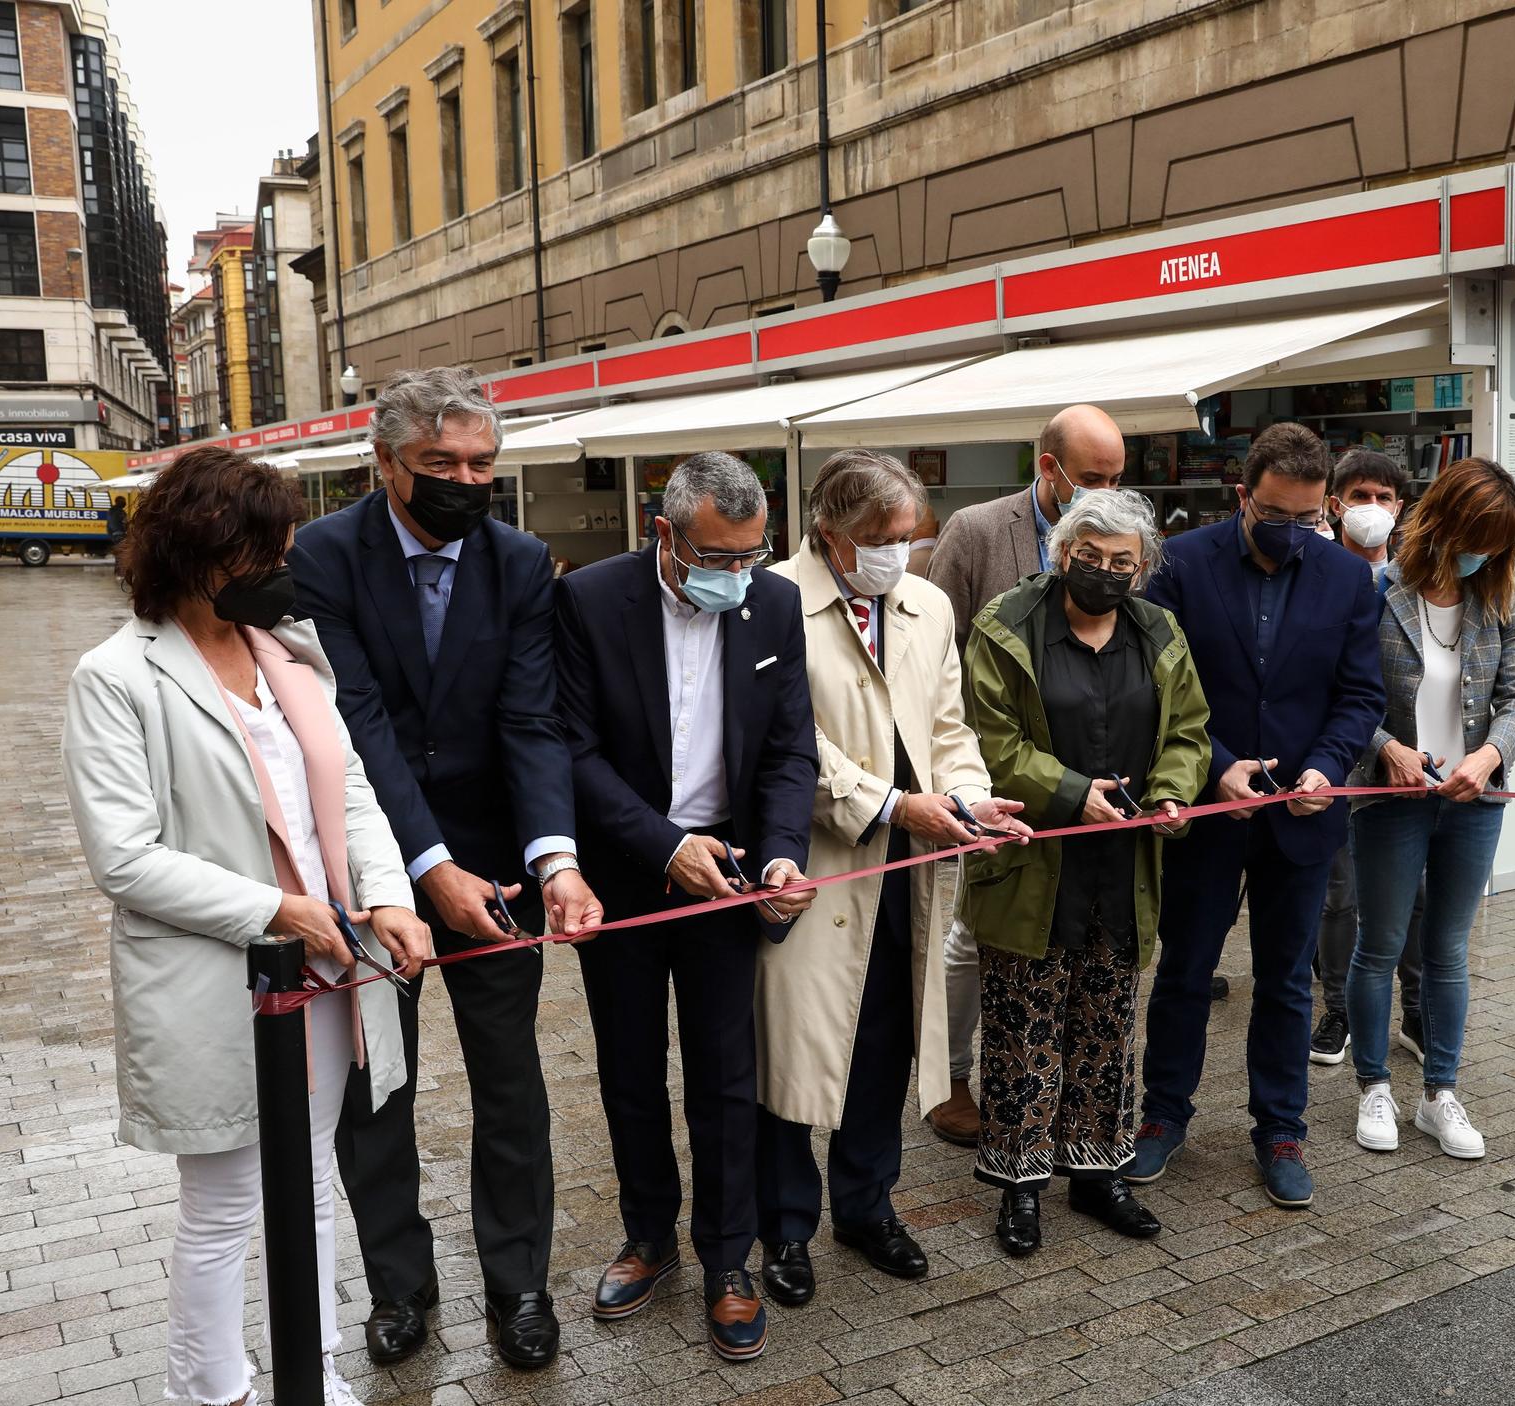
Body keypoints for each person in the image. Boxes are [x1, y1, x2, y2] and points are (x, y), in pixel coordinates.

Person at [62, 447, 432, 1406]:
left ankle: (312, 1373)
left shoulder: (287, 647)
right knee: (225, 1206)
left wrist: (387, 894)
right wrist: (281, 911)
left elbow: (348, 795)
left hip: (324, 968)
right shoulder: (117, 676)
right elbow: (126, 857)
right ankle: (213, 1391)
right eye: (265, 545)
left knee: (311, 1183)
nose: (286, 559)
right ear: (201, 553)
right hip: (222, 976)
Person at [288, 368, 600, 1370]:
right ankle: (399, 1289)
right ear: (383, 464)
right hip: (372, 869)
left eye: (480, 463)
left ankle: (519, 1284)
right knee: (376, 1088)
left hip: (498, 870)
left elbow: (530, 716)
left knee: (510, 1085)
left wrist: (553, 856)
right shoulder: (323, 555)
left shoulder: (515, 561)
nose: (465, 480)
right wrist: (424, 869)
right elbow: (356, 720)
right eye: (440, 465)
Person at [553, 451, 818, 1362]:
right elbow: (575, 754)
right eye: (717, 557)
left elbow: (790, 752)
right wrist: (664, 844)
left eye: (751, 554)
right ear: (663, 535)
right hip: (628, 872)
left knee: (724, 1072)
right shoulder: (590, 601)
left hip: (733, 870)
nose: (736, 576)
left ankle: (727, 1259)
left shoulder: (774, 605)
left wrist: (782, 856)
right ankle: (650, 1236)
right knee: (631, 1069)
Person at [755, 450, 1030, 1307]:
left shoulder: (927, 602)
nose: (895, 554)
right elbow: (789, 741)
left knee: (885, 1040)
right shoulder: (773, 603)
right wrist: (891, 804)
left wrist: (972, 798)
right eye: (877, 539)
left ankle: (867, 1207)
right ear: (829, 535)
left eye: (906, 537)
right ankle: (787, 1227)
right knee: (797, 1048)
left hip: (908, 865)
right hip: (816, 863)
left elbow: (949, 724)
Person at [1129, 421, 1385, 1210]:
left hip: (1303, 813)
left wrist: (1328, 764)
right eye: (1277, 517)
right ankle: (1164, 1116)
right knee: (1183, 972)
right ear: (1243, 496)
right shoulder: (1180, 564)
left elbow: (1359, 695)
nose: (1294, 534)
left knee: (1285, 982)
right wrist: (1212, 766)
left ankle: (1281, 1129)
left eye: (1310, 519)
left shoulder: (1346, 578)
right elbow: (1154, 685)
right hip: (1209, 810)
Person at [961, 489, 1210, 1257]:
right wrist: (1074, 793)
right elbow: (990, 740)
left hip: (1123, 862)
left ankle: (1098, 1173)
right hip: (1035, 860)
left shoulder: (1158, 631)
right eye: (1090, 557)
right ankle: (1020, 1186)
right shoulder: (1005, 626)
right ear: (1062, 552)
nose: (1103, 572)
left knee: (1106, 1023)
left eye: (1121, 562)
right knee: (1023, 1030)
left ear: (1141, 568)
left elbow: (1190, 732)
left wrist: (1170, 793)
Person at [923, 404, 1128, 1145]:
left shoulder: (1119, 537)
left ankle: (1048, 1080)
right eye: (1093, 478)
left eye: (1116, 478)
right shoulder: (978, 532)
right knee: (971, 936)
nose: (1106, 492)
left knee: (1064, 933)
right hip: (993, 773)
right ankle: (947, 1083)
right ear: (1050, 469)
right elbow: (932, 652)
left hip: (1089, 778)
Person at [1346, 458, 1515, 1160]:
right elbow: (1348, 695)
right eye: (1476, 535)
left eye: (1497, 541)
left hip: (1475, 799)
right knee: (1379, 946)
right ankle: (1373, 1086)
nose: (1482, 551)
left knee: (1449, 951)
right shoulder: (1376, 592)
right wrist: (1389, 747)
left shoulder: (1503, 600)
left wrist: (1489, 757)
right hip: (1391, 797)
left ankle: (1439, 1094)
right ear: (1446, 521)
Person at [1312, 449, 1425, 1067]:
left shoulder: (1415, 581)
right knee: (1342, 895)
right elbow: (1332, 685)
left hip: (1413, 771)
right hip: (1342, 764)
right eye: (1360, 496)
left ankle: (1416, 1012)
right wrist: (1381, 746)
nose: (1372, 510)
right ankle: (1340, 1013)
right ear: (1335, 504)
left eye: (1384, 497)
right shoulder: (1321, 576)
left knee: (1414, 896)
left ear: (1401, 507)